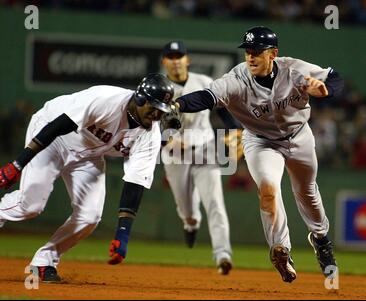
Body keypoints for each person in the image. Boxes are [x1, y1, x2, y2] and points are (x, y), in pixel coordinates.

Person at [173, 26, 343, 283]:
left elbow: (334, 77)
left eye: (257, 51)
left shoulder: (293, 69)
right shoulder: (237, 79)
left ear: (273, 53)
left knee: (307, 191)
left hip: (299, 137)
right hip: (261, 142)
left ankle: (320, 239)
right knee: (268, 189)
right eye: (247, 51)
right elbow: (206, 96)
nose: (250, 56)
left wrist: (325, 89)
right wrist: (177, 104)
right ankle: (281, 249)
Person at [0, 73, 176, 282]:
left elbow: (134, 184)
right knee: (30, 206)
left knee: (90, 216)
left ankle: (44, 262)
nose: (157, 115)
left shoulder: (150, 136)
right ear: (140, 98)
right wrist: (18, 163)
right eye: (153, 107)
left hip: (88, 154)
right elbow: (58, 126)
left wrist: (123, 233)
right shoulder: (106, 100)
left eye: (161, 111)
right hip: (53, 136)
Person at [160, 41, 233, 275]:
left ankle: (223, 254)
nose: (175, 60)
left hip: (205, 147)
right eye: (171, 57)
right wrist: (167, 140)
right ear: (164, 62)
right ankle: (191, 223)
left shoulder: (202, 82)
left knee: (215, 202)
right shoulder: (159, 88)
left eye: (179, 56)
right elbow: (147, 123)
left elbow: (223, 108)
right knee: (188, 209)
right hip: (174, 153)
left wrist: (234, 130)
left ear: (187, 59)